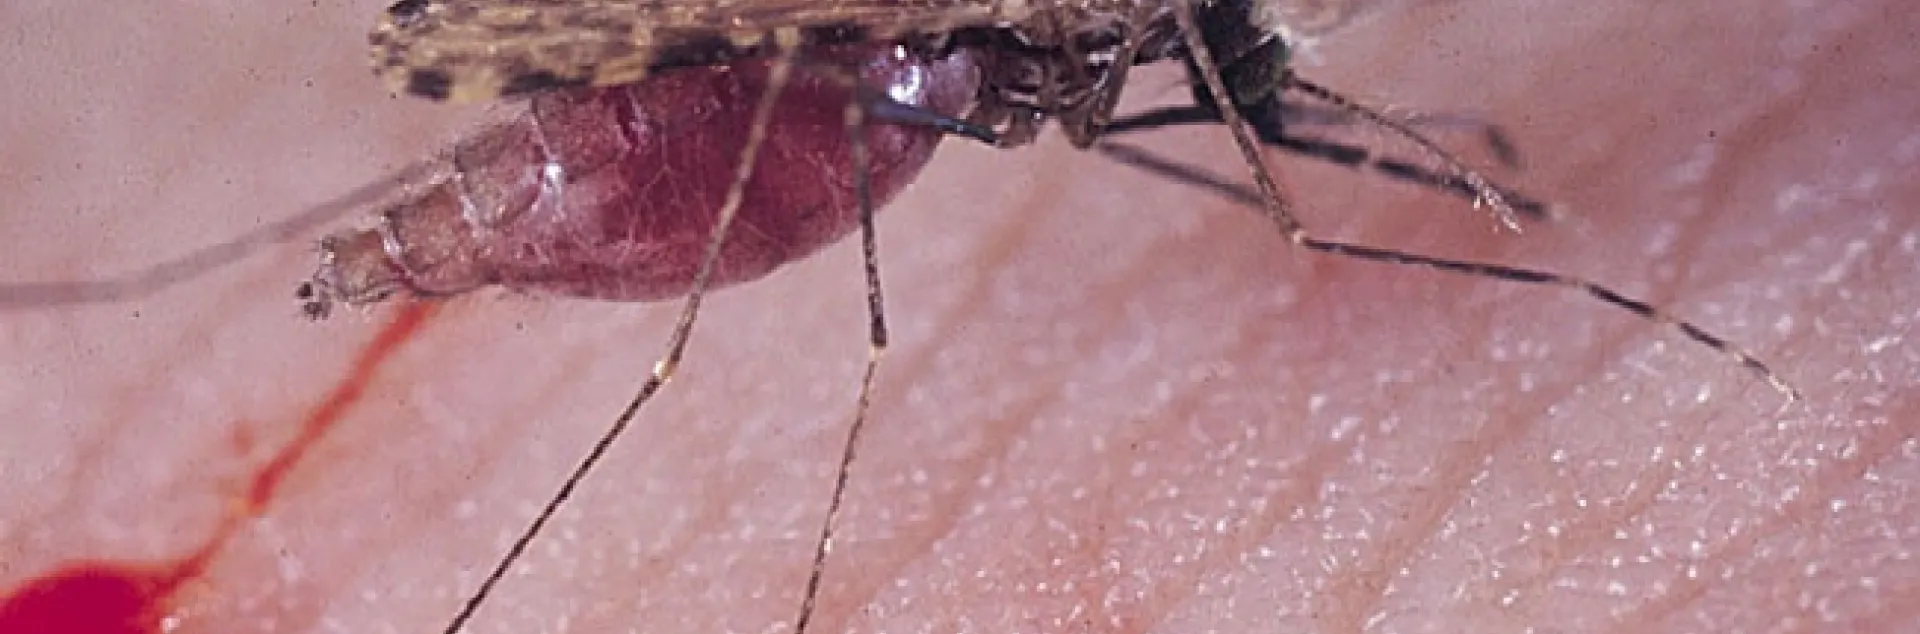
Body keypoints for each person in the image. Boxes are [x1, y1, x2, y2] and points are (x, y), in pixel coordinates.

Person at [1, 1, 1911, 631]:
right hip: (774, 107)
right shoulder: (1079, 34)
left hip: (828, 106)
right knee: (839, 328)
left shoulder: (1110, 43)